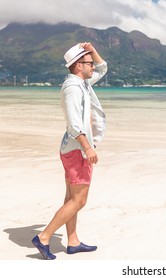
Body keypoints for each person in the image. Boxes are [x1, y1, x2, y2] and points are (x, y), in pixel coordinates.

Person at [32, 42, 108, 260]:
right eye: (89, 63)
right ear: (77, 65)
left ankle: (73, 241)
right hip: (77, 149)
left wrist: (91, 49)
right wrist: (87, 148)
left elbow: (103, 68)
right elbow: (74, 124)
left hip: (74, 148)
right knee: (79, 200)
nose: (93, 66)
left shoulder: (82, 82)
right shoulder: (73, 88)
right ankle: (44, 237)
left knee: (71, 198)